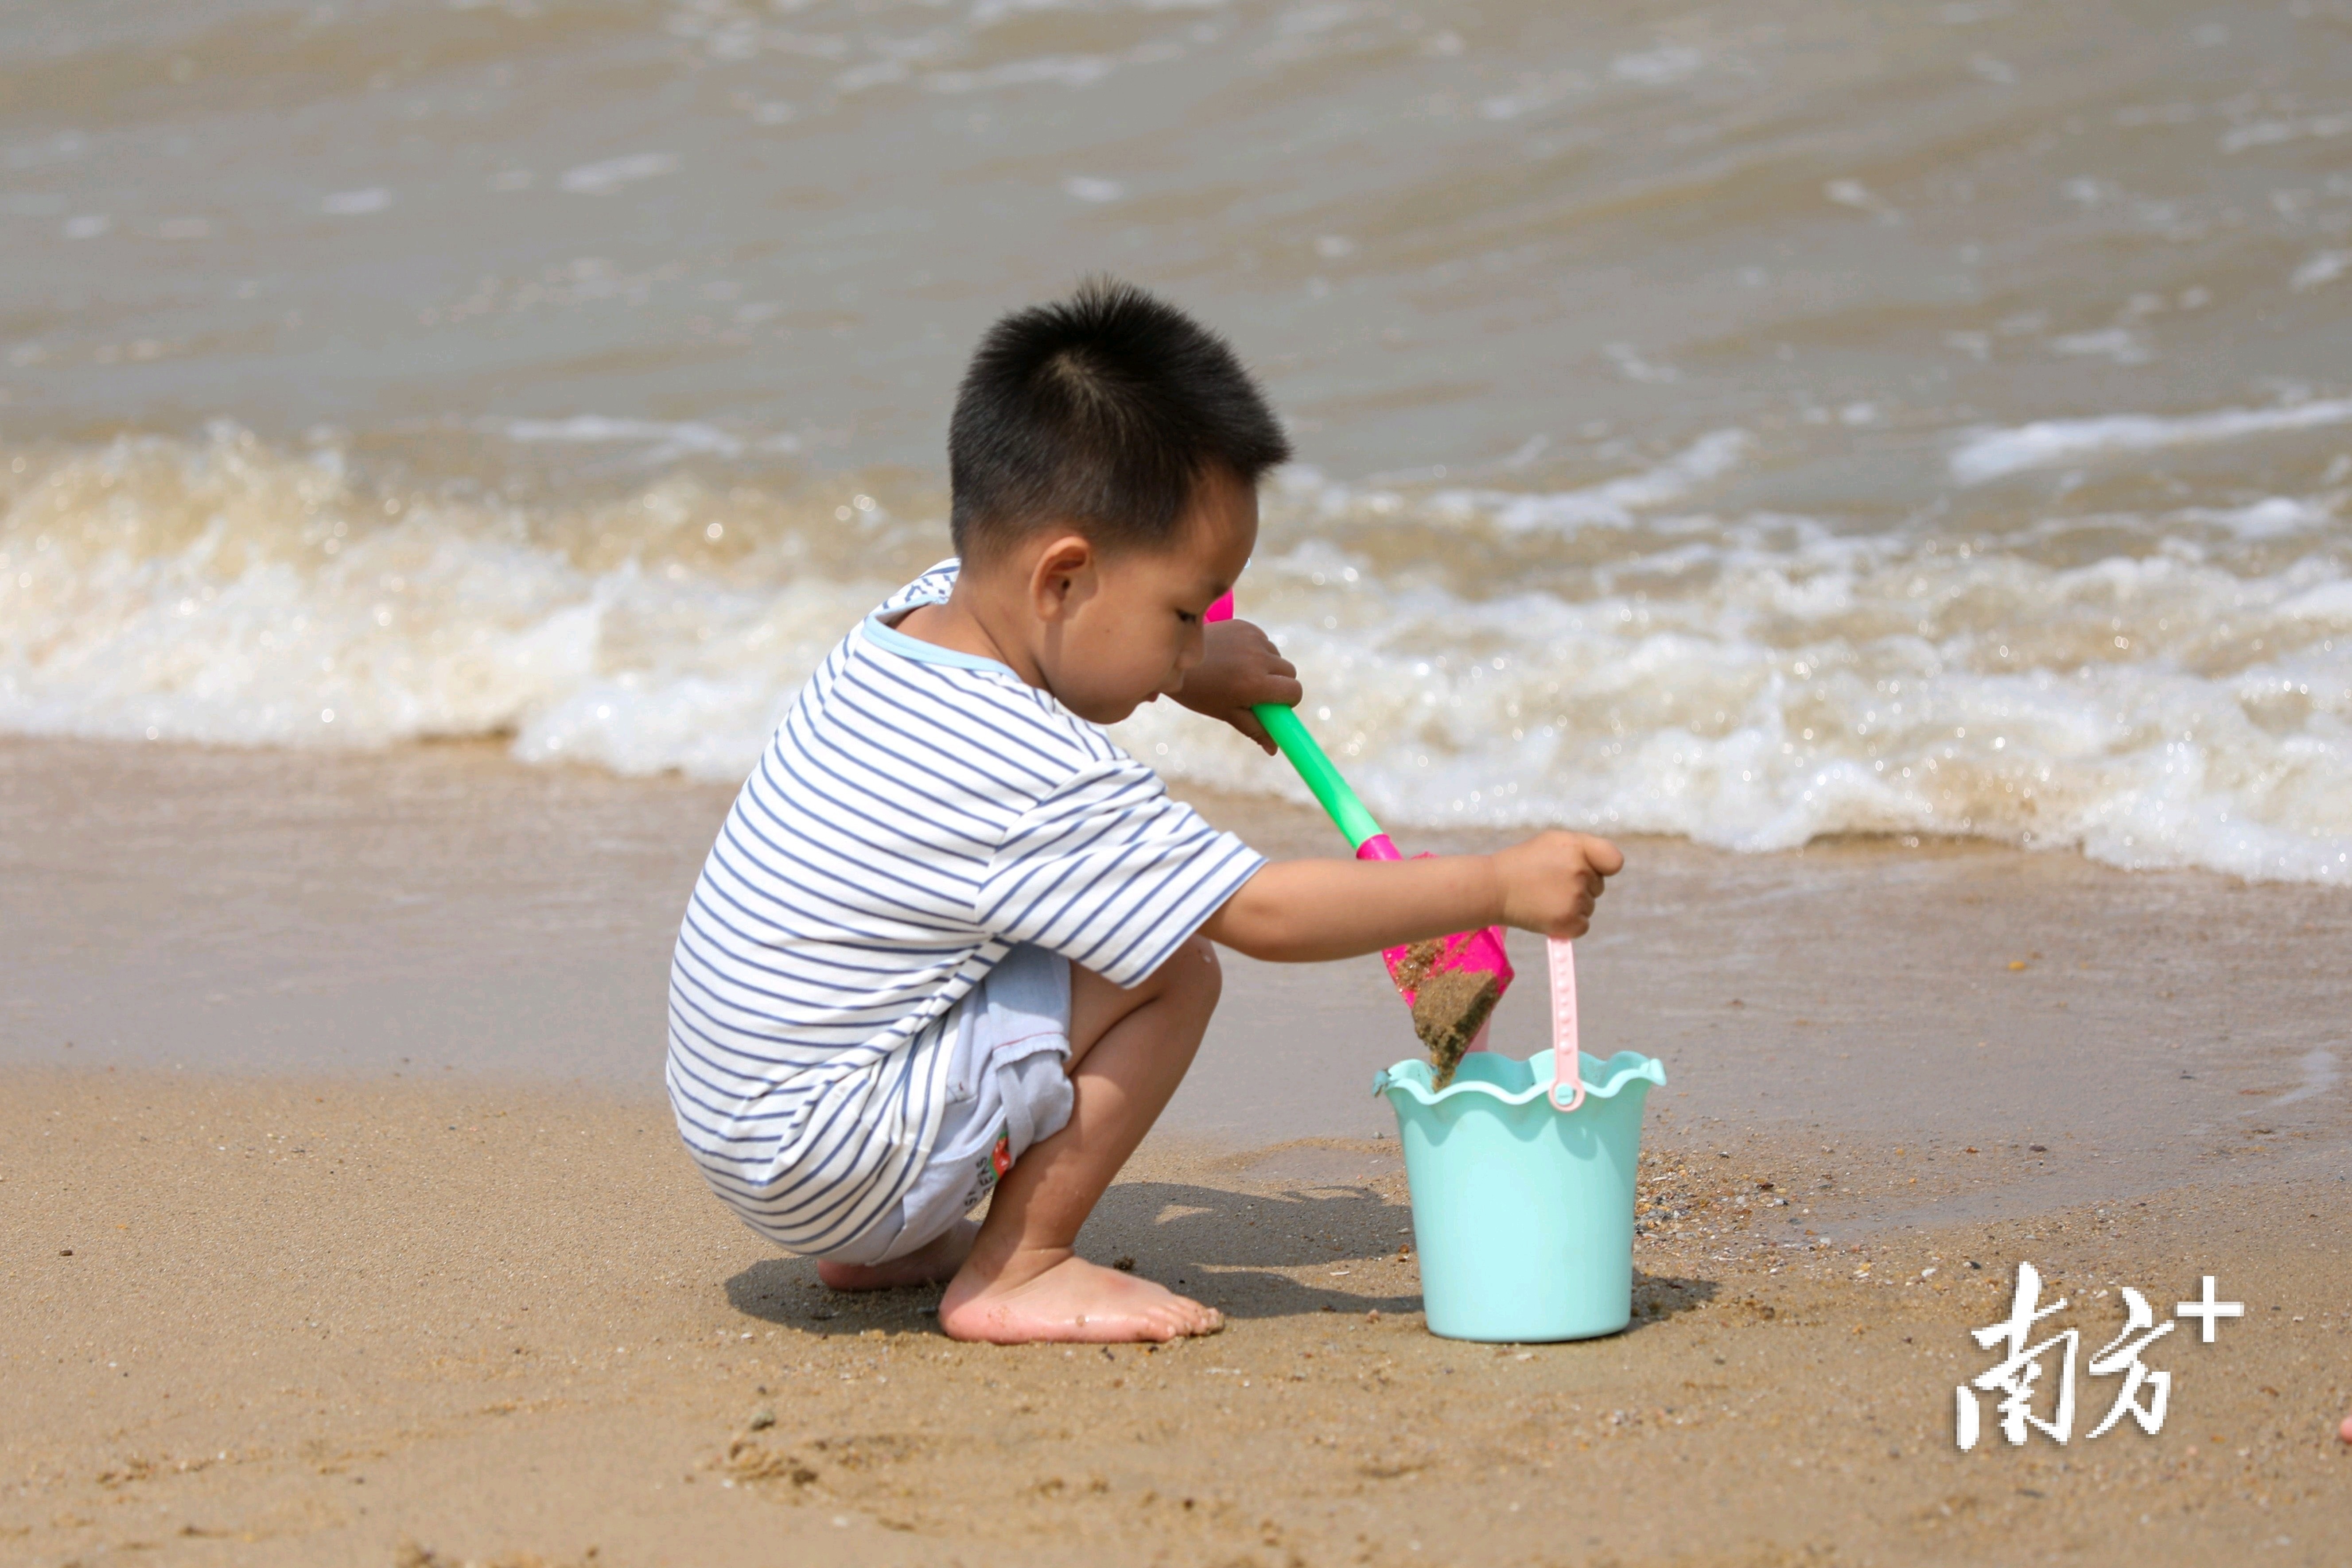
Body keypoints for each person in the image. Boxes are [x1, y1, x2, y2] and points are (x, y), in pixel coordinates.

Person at [666, 278, 1621, 1344]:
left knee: (1018, 939)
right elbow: (1259, 912)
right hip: (825, 1159)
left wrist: (1184, 665)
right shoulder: (1029, 767)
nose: (1192, 636)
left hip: (749, 1117)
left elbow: (1062, 627)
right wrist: (1495, 883)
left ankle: (887, 1233)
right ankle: (1018, 1266)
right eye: (1183, 611)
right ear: (1065, 578)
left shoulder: (912, 624)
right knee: (1167, 965)